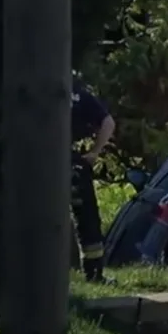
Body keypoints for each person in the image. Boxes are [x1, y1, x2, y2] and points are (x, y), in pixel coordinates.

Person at [71, 74, 116, 282]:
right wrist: (94, 152)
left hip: (39, 161)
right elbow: (108, 123)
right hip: (73, 163)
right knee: (87, 217)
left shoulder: (37, 88)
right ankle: (94, 273)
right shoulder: (79, 94)